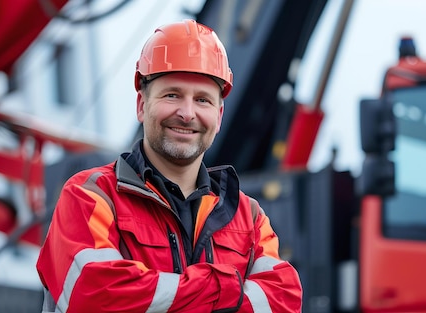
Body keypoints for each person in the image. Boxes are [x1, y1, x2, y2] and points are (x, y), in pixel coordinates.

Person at [36, 19, 303, 312]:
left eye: (202, 100)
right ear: (141, 104)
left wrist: (156, 295)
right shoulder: (91, 196)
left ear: (219, 115)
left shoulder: (248, 216)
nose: (187, 113)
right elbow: (94, 296)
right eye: (172, 94)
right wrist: (226, 288)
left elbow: (283, 301)